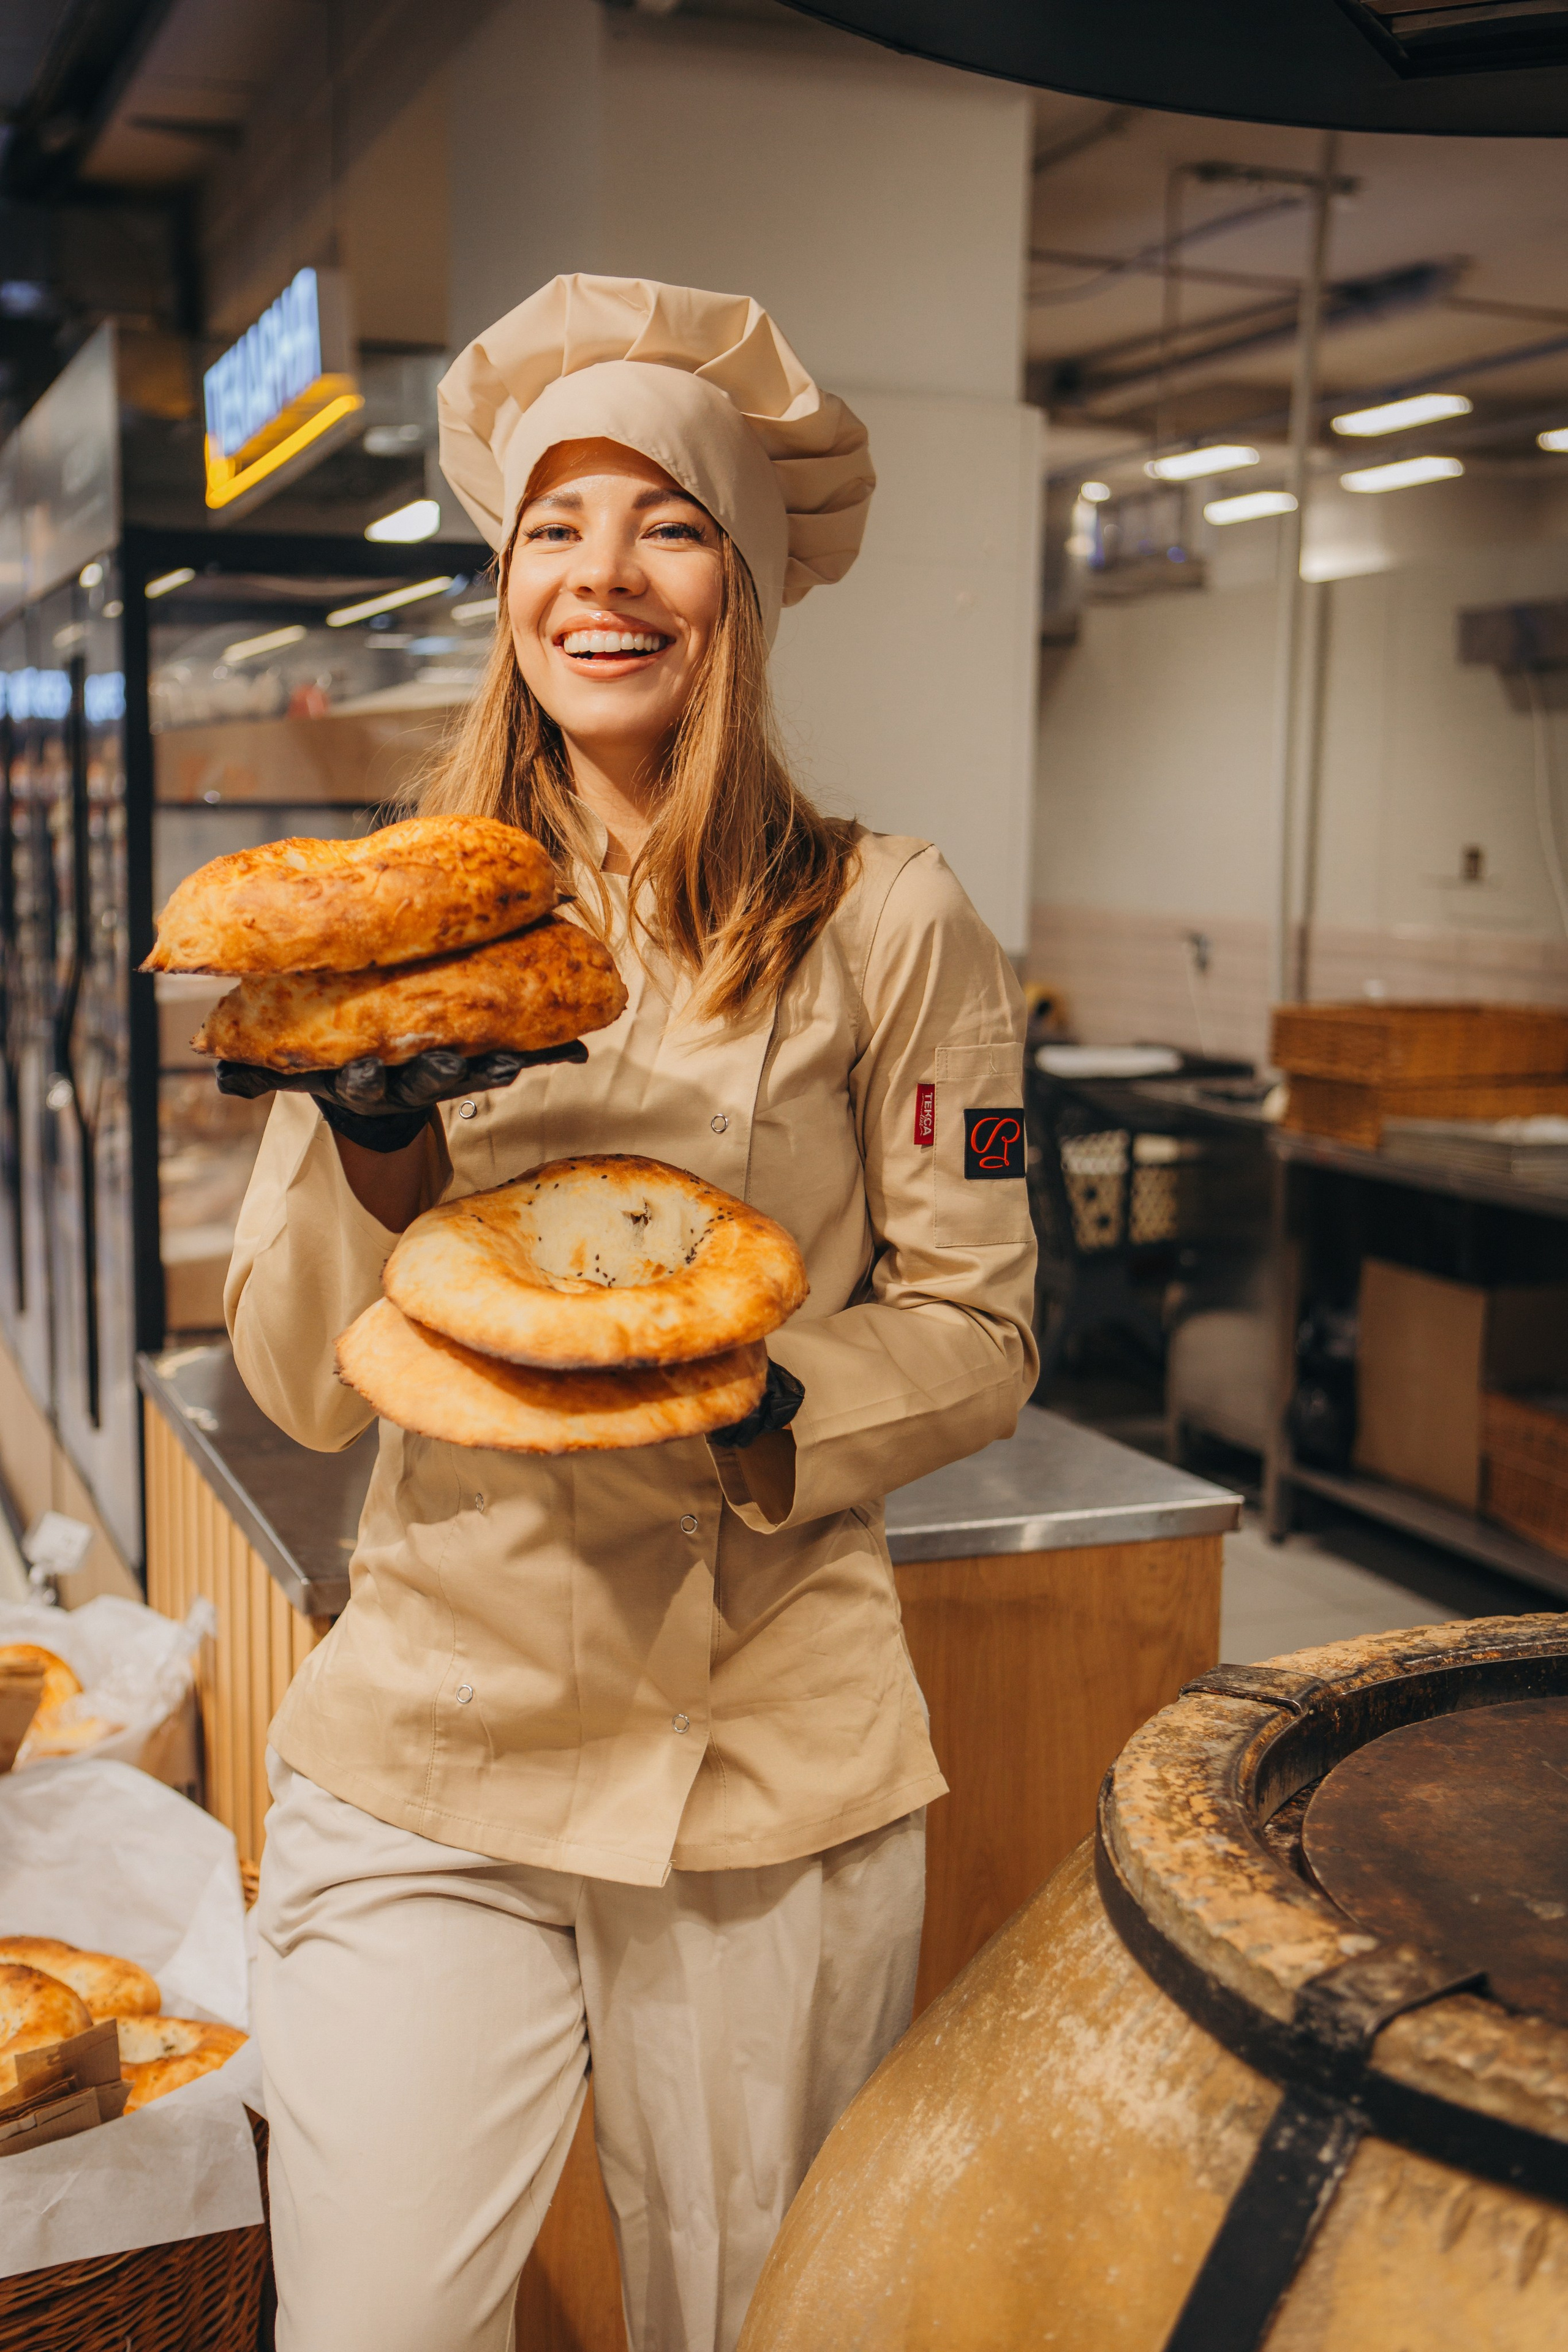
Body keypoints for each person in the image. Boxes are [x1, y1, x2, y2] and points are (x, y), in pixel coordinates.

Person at [229, 274, 1038, 2352]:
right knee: (375, 2328)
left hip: (762, 1755)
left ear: (746, 589)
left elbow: (982, 1326)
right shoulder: (408, 910)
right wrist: (369, 1136)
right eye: (551, 529)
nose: (605, 578)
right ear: (504, 581)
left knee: (751, 2325)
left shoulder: (890, 918)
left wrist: (751, 1389)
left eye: (666, 522)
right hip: (439, 1727)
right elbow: (292, 1392)